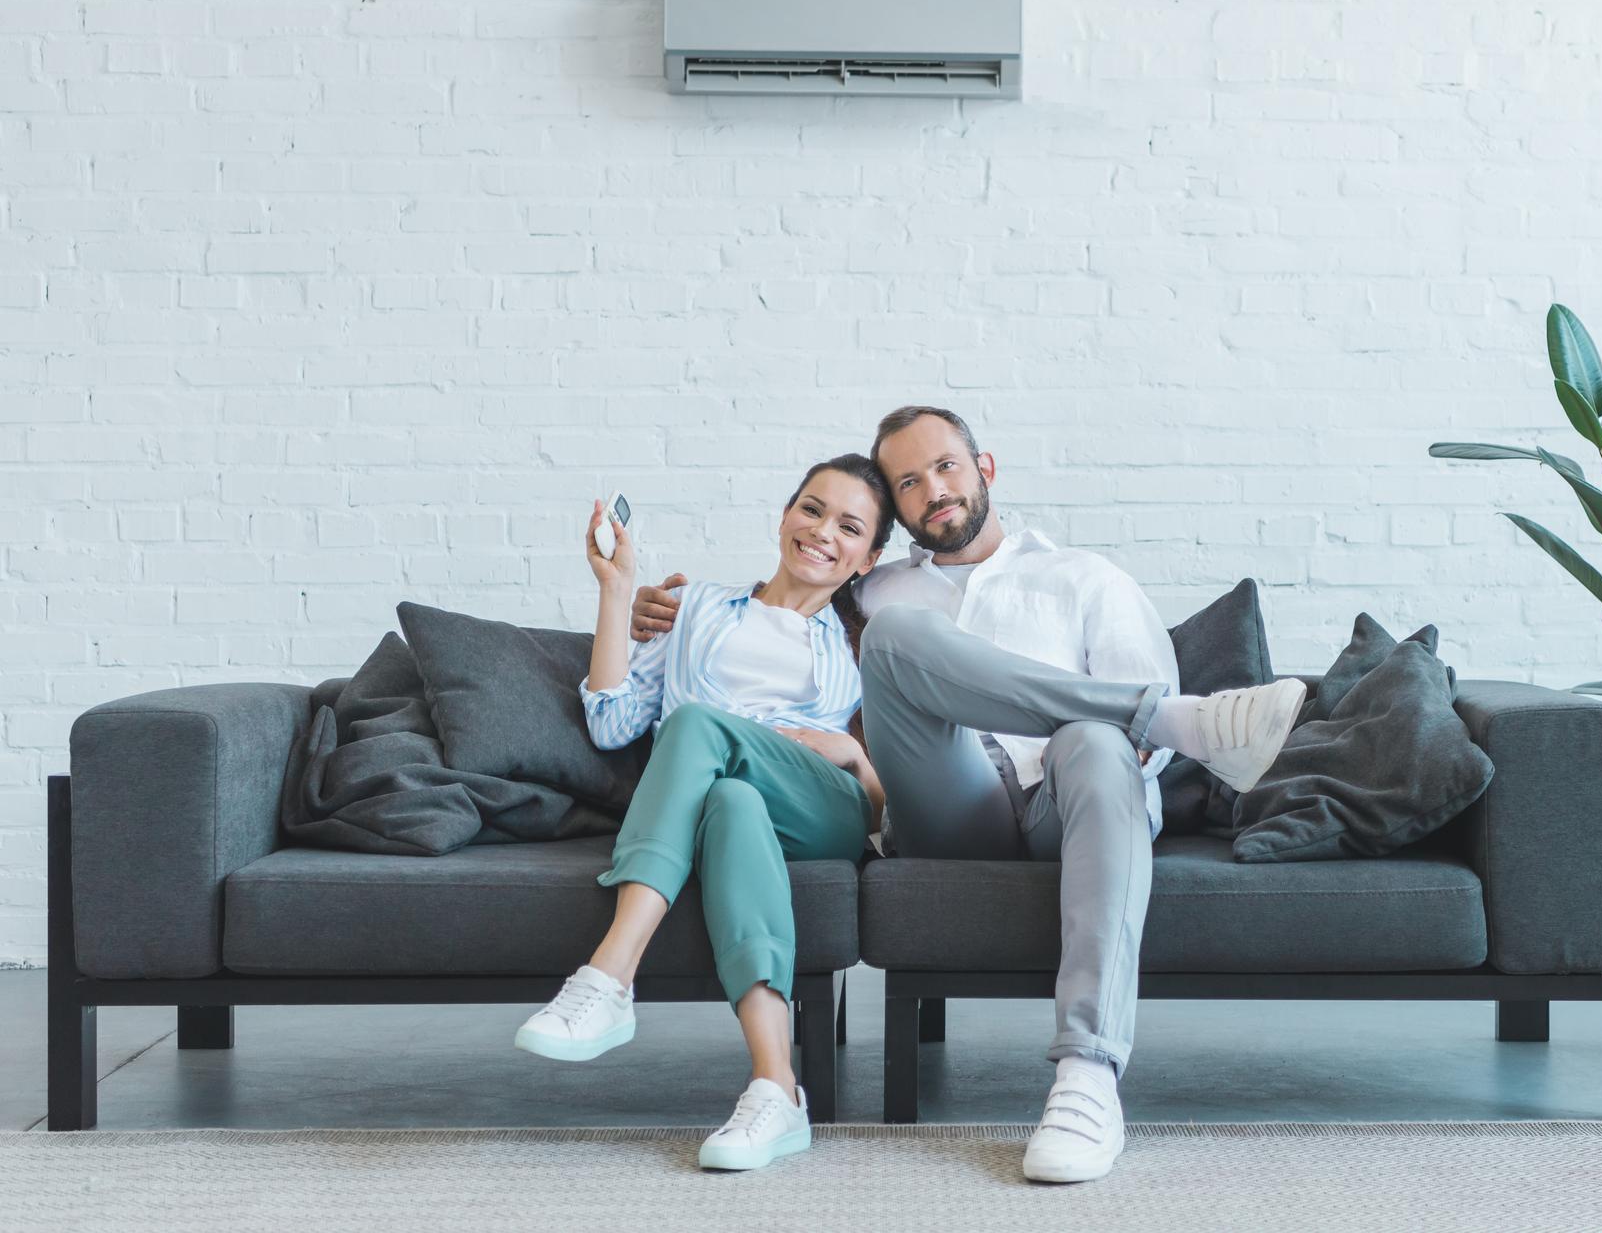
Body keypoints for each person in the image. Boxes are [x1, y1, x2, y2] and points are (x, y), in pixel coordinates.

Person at [630, 408, 1305, 1183]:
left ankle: (1087, 1076)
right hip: (949, 806)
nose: (933, 490)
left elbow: (1137, 763)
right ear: (895, 513)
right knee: (896, 637)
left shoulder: (1085, 577)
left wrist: (1110, 730)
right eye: (909, 482)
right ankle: (1177, 718)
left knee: (1096, 738)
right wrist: (664, 612)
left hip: (1067, 799)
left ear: (986, 469)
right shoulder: (877, 591)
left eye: (946, 467)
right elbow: (786, 616)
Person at [514, 453, 895, 1173]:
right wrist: (618, 592)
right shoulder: (696, 607)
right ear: (785, 514)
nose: (821, 532)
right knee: (729, 797)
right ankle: (776, 1086)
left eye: (848, 527)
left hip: (825, 803)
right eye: (811, 509)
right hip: (736, 798)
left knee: (695, 725)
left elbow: (893, 801)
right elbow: (612, 720)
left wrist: (850, 749)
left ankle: (610, 973)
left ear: (869, 557)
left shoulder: (867, 645)